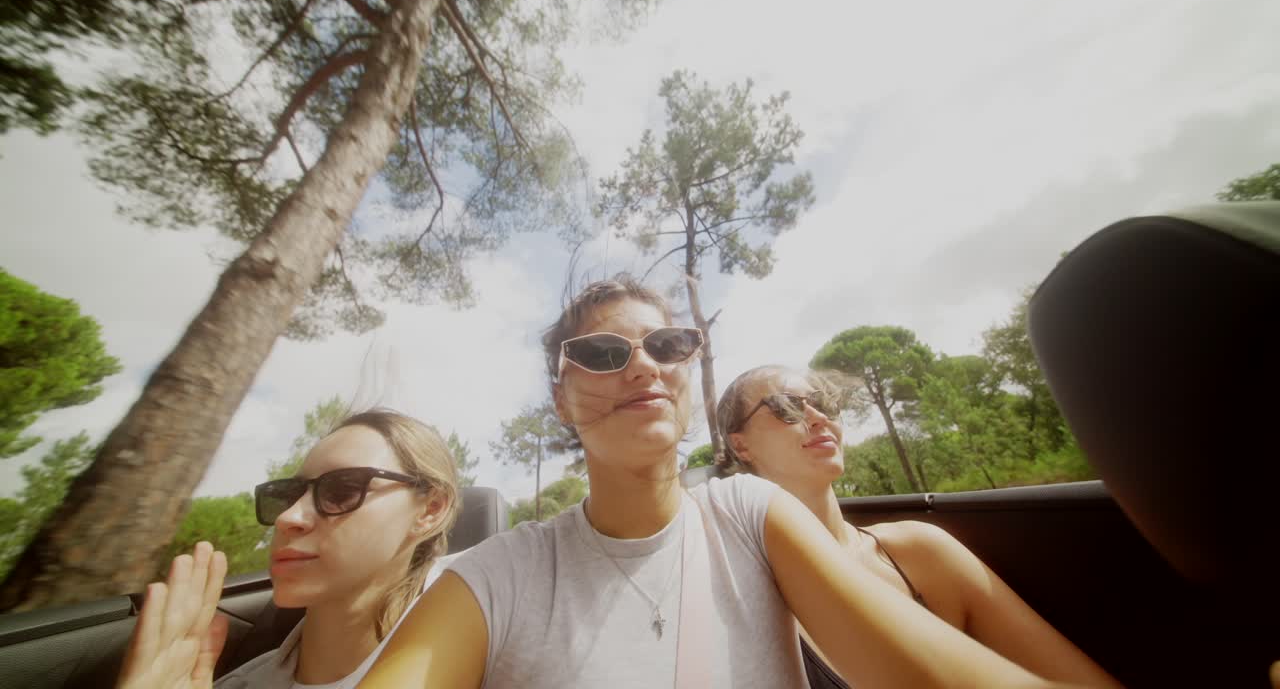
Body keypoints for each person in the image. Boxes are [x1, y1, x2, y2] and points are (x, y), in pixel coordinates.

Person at [358, 275, 1075, 688]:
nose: (642, 367)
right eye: (603, 353)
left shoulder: (750, 513)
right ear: (561, 399)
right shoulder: (493, 578)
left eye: (666, 345)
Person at [716, 365, 1122, 689]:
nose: (819, 418)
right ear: (741, 446)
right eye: (787, 407)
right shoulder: (741, 596)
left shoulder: (919, 551)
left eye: (823, 404)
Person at [115, 409, 460, 689]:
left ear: (430, 509)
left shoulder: (484, 671)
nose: (288, 517)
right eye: (287, 494)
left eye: (342, 490)